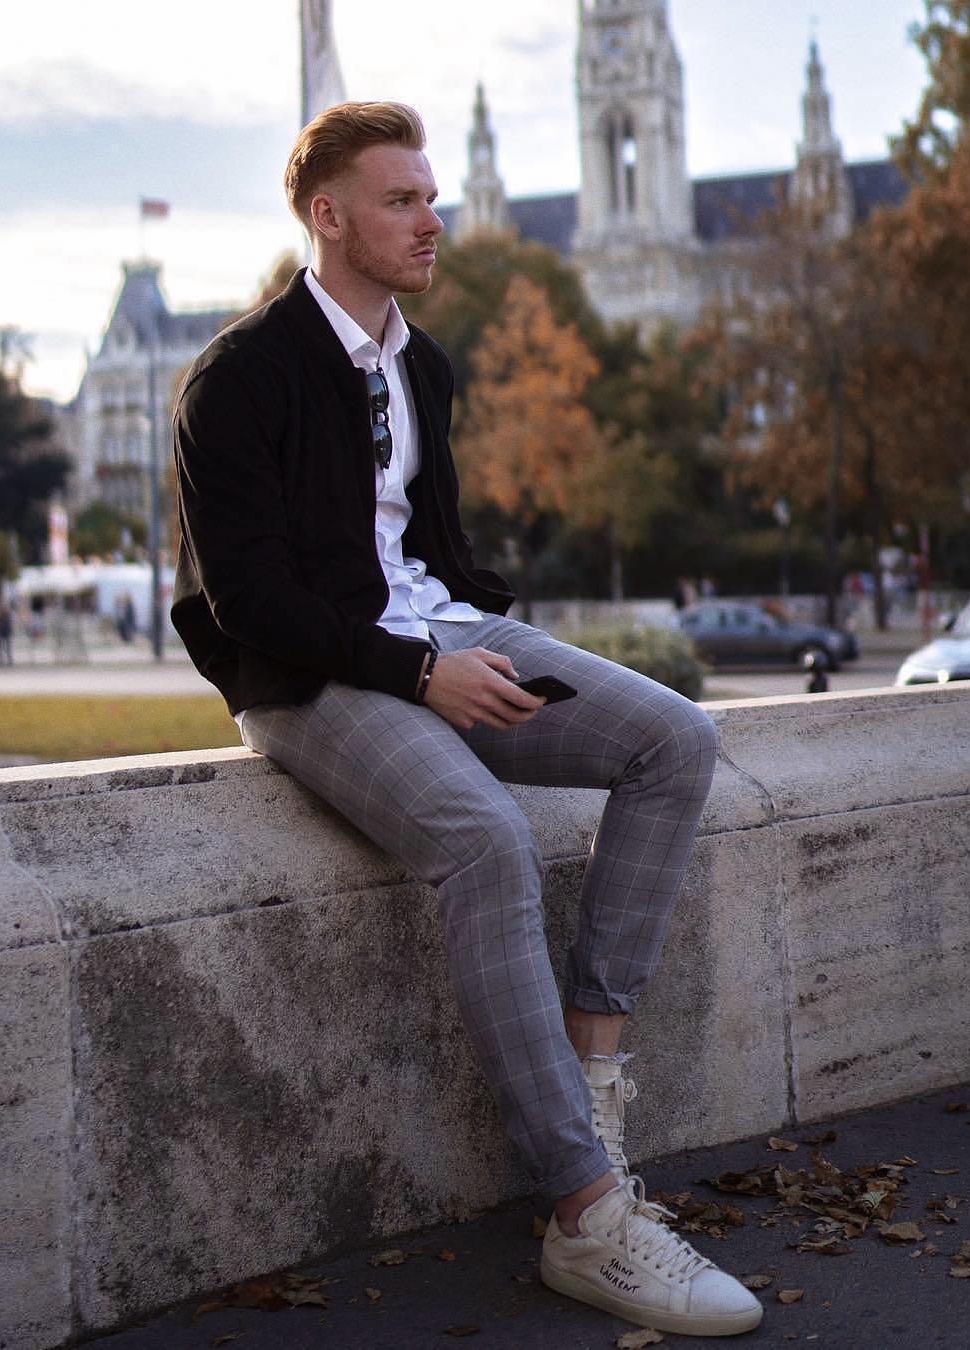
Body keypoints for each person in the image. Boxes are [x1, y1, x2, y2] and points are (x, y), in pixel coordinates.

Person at [170, 101, 762, 1340]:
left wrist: (477, 641)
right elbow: (252, 600)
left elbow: (430, 552)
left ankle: (592, 1074)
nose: (432, 220)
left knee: (674, 738)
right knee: (483, 837)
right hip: (309, 676)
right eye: (401, 201)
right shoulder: (236, 379)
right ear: (328, 219)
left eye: (432, 196)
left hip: (440, 638)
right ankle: (589, 1217)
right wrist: (414, 673)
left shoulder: (421, 363)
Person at [0, 600, 13, 666]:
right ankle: (0, 661)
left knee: (7, 647)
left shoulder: (7, 615)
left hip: (6, 631)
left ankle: (8, 661)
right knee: (0, 647)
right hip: (0, 631)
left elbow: (10, 624)